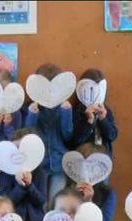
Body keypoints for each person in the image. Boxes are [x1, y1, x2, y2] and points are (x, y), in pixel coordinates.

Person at [25, 63, 74, 200]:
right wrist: (32, 115)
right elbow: (28, 135)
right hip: (39, 164)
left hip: (59, 164)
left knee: (55, 202)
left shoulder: (64, 107)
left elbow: (68, 135)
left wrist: (66, 113)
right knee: (39, 201)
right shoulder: (33, 108)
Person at [0, 128, 48, 221]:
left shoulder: (40, 172)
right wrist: (20, 186)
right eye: (16, 149)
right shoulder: (6, 172)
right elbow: (7, 201)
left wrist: (30, 185)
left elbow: (42, 201)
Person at [72, 68, 118, 155]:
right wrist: (89, 121)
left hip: (103, 157)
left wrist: (103, 120)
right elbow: (76, 140)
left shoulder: (106, 111)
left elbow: (112, 136)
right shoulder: (76, 111)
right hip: (82, 158)